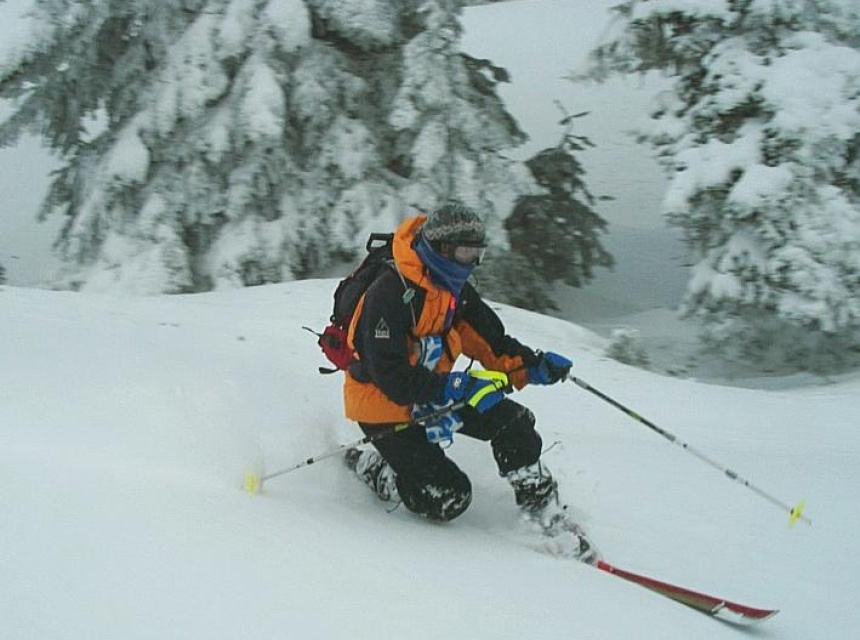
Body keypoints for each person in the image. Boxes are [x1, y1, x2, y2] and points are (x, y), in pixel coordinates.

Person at [342, 203, 578, 540]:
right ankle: (376, 468)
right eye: (466, 252)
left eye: (477, 253)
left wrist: (532, 365)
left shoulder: (454, 291)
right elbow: (390, 376)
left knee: (515, 423)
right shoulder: (389, 294)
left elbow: (491, 343)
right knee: (449, 497)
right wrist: (454, 386)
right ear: (441, 249)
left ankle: (542, 509)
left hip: (438, 391)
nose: (472, 262)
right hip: (384, 404)